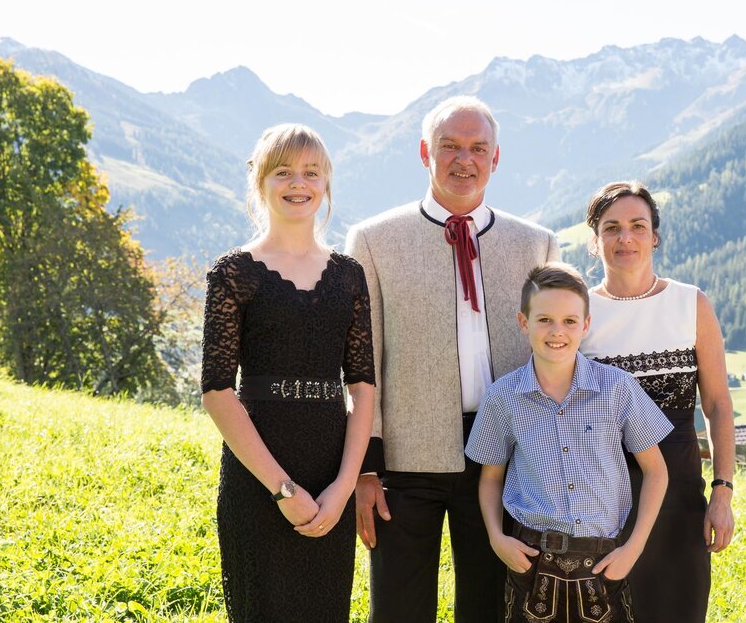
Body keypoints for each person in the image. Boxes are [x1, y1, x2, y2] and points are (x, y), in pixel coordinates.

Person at [345, 96, 560, 622]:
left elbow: (556, 356)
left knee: (489, 607)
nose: (465, 159)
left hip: (505, 458)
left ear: (495, 158)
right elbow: (360, 361)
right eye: (450, 146)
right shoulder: (373, 240)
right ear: (425, 152)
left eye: (478, 148)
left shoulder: (536, 244)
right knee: (398, 609)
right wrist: (366, 468)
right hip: (404, 459)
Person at [201, 124, 375, 621]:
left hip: (330, 479)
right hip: (259, 478)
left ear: (326, 183)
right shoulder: (234, 272)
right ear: (260, 181)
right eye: (283, 171)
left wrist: (343, 487)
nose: (298, 183)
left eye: (311, 172)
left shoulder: (348, 275)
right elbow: (217, 393)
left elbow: (363, 388)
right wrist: (282, 489)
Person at [466, 263, 672, 623]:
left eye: (569, 321)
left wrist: (634, 548)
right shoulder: (502, 397)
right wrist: (497, 538)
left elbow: (656, 471)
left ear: (585, 325)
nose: (557, 331)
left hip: (605, 564)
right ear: (523, 322)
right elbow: (490, 478)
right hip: (531, 563)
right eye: (544, 320)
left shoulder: (618, 389)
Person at [580, 181, 736, 622]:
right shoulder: (579, 312)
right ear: (595, 241)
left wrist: (722, 492)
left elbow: (718, 404)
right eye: (611, 228)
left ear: (654, 236)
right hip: (600, 503)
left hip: (680, 495)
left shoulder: (690, 303)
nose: (625, 238)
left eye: (637, 226)